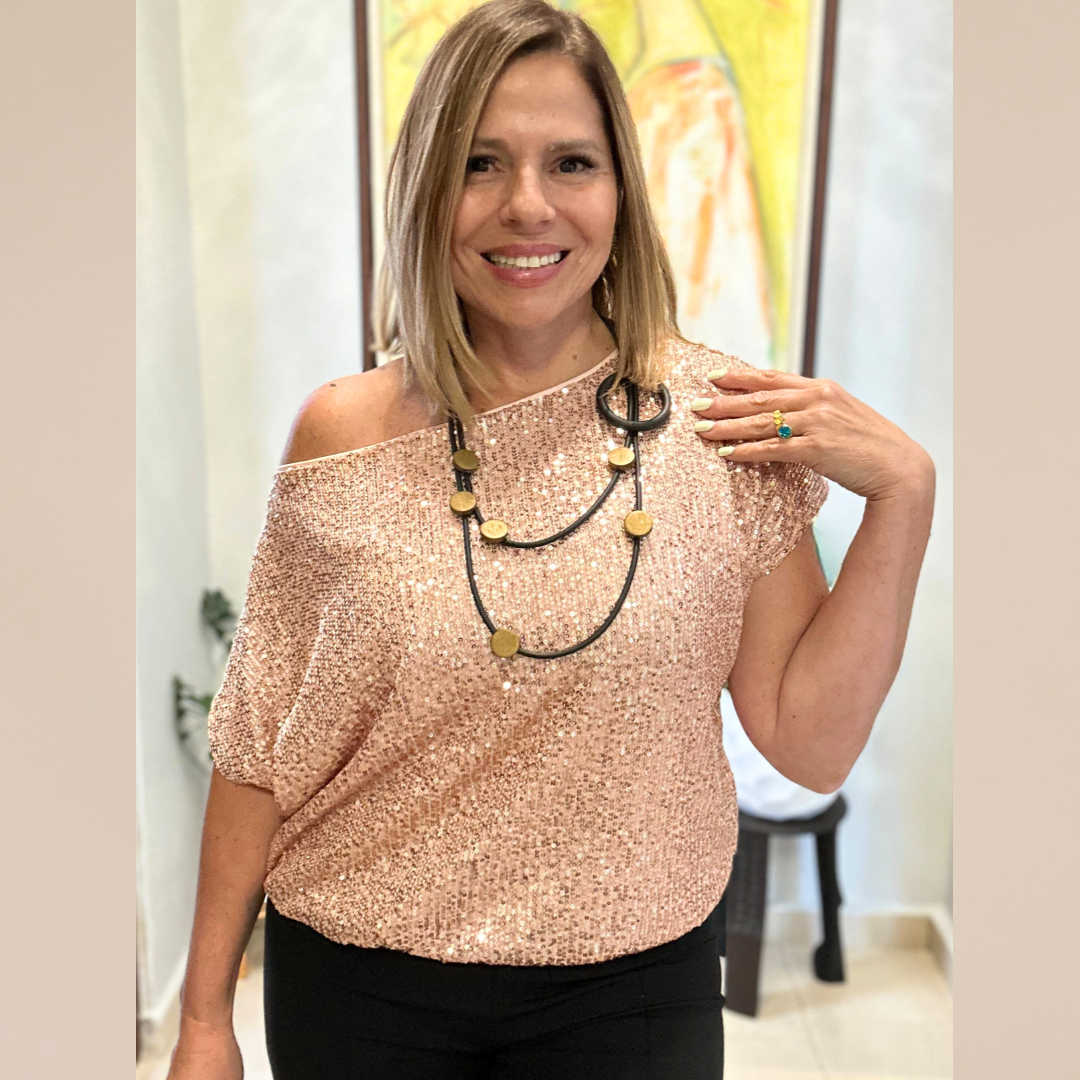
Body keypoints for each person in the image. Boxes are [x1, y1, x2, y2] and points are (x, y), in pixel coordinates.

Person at [166, 2, 935, 1077]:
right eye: (480, 164)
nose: (527, 205)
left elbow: (810, 744)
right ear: (428, 191)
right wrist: (204, 1018)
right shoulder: (341, 433)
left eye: (571, 163)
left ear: (621, 192)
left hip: (635, 990)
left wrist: (906, 496)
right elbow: (259, 742)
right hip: (360, 991)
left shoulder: (721, 426)